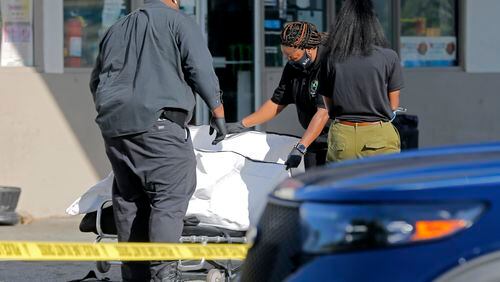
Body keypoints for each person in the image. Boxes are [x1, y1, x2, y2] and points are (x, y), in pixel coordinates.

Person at [89, 0, 227, 280]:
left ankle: (134, 276)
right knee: (169, 198)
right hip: (159, 124)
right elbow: (200, 68)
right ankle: (165, 275)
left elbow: (96, 80)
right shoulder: (179, 21)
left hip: (115, 128)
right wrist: (218, 111)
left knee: (130, 200)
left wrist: (113, 111)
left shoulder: (116, 28)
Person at [226, 21, 330, 170]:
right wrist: (242, 124)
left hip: (335, 142)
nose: (290, 61)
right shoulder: (293, 68)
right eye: (287, 57)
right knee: (313, 189)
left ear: (308, 48)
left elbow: (323, 113)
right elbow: (276, 103)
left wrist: (301, 147)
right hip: (314, 140)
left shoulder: (329, 64)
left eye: (294, 57)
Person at [319, 0, 404, 162]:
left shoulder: (330, 58)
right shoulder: (388, 56)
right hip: (378, 135)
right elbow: (393, 105)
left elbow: (328, 105)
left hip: (342, 137)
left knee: (342, 187)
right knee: (381, 187)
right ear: (373, 25)